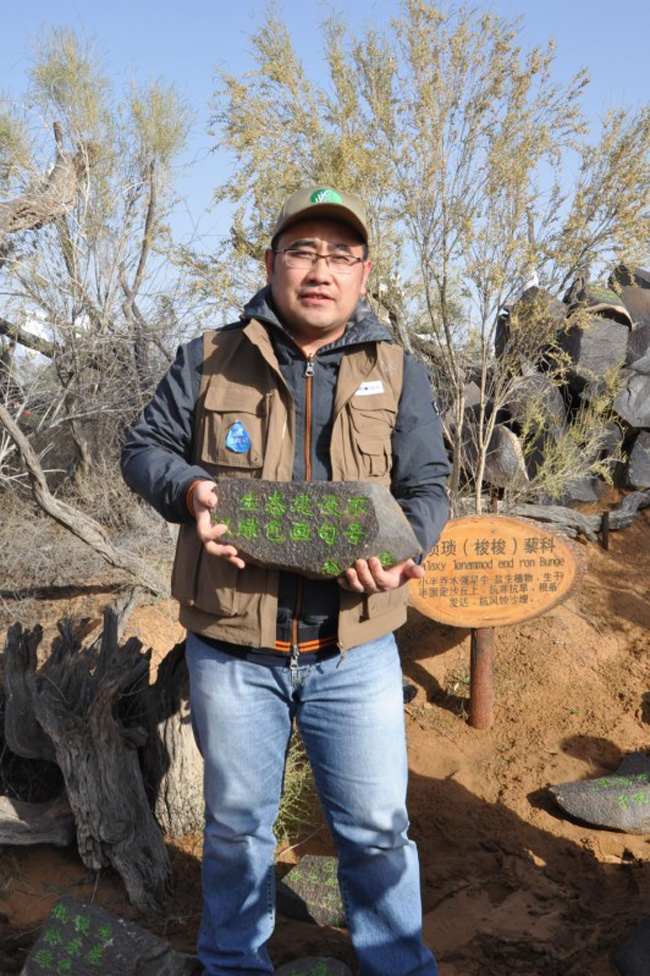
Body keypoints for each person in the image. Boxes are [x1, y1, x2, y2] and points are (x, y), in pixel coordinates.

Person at [121, 185, 450, 976]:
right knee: (236, 828)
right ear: (271, 264)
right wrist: (195, 490)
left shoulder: (400, 371)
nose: (319, 270)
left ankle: (397, 965)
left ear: (363, 276)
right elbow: (143, 450)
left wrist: (407, 550)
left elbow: (430, 487)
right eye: (302, 251)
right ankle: (236, 965)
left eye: (340, 256)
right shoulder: (205, 355)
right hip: (234, 644)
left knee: (375, 827)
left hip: (356, 646)